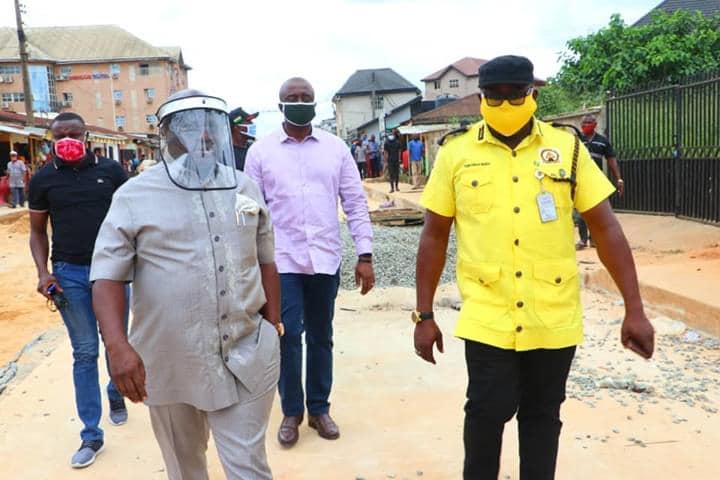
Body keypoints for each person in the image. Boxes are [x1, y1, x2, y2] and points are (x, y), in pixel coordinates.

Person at [413, 55, 655, 480]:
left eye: (515, 94)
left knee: (543, 417)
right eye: (495, 96)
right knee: (486, 413)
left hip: (552, 313)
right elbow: (434, 234)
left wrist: (634, 308)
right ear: (480, 98)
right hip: (489, 314)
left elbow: (605, 228)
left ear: (533, 95)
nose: (505, 104)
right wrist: (424, 314)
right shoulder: (456, 152)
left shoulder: (568, 148)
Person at [90, 89, 282, 480]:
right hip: (169, 360)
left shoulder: (244, 187)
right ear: (167, 135)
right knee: (185, 467)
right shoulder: (133, 195)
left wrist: (273, 326)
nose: (204, 136)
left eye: (213, 127)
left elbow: (265, 259)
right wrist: (116, 346)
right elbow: (107, 275)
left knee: (249, 469)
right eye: (190, 127)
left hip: (246, 354)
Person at [245, 77, 374, 448]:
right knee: (286, 337)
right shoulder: (261, 153)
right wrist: (251, 263)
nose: (299, 102)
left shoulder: (335, 149)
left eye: (305, 97)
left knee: (322, 337)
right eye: (292, 98)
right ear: (280, 103)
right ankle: (291, 412)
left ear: (315, 103)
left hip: (324, 258)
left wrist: (364, 254)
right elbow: (251, 209)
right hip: (280, 261)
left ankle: (319, 409)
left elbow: (354, 201)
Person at [27, 112, 130, 469]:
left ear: (86, 136)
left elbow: (132, 217)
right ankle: (91, 434)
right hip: (69, 273)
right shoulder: (42, 180)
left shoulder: (114, 173)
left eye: (74, 133)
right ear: (50, 138)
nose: (67, 139)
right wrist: (44, 273)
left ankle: (116, 391)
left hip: (113, 271)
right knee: (85, 352)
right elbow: (38, 231)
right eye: (60, 134)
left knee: (117, 340)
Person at [576, 114, 624, 250]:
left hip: (596, 180)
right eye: (583, 123)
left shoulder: (602, 141)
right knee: (581, 213)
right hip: (580, 181)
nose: (585, 125)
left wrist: (619, 178)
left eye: (588, 122)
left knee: (597, 213)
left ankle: (594, 239)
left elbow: (611, 159)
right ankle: (583, 240)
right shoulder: (577, 140)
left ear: (595, 124)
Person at [228, 106, 258, 171]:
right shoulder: (227, 153)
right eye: (248, 121)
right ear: (237, 128)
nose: (252, 124)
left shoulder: (254, 148)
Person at [384, 128, 402, 193]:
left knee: (392, 174)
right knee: (396, 174)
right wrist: (399, 159)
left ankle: (392, 188)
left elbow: (385, 152)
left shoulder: (386, 142)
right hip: (396, 160)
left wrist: (386, 161)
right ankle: (396, 187)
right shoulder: (397, 142)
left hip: (391, 160)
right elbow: (399, 151)